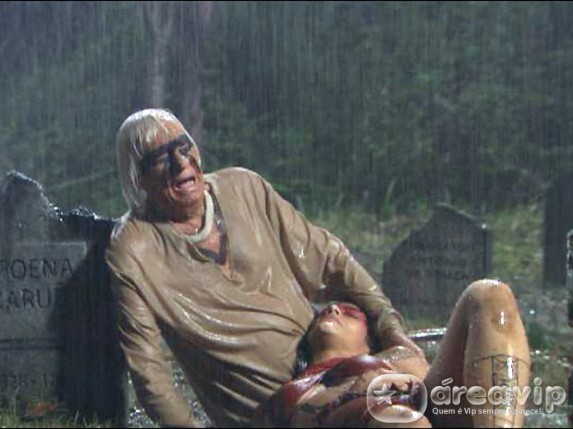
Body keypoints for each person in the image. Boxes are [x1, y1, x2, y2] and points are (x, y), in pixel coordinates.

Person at [105, 108, 422, 427]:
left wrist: (390, 327)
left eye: (183, 147)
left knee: (446, 354)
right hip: (282, 411)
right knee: (401, 418)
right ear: (138, 178)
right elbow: (149, 371)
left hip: (337, 371)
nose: (180, 162)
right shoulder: (135, 250)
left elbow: (329, 259)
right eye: (161, 158)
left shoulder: (244, 189)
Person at [253, 282, 531, 428]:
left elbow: (433, 388)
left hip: (424, 410)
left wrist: (401, 382)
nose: (334, 310)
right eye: (325, 311)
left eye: (350, 313)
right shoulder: (291, 391)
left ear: (369, 343)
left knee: (488, 294)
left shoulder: (396, 356)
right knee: (401, 419)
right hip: (359, 418)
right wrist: (350, 392)